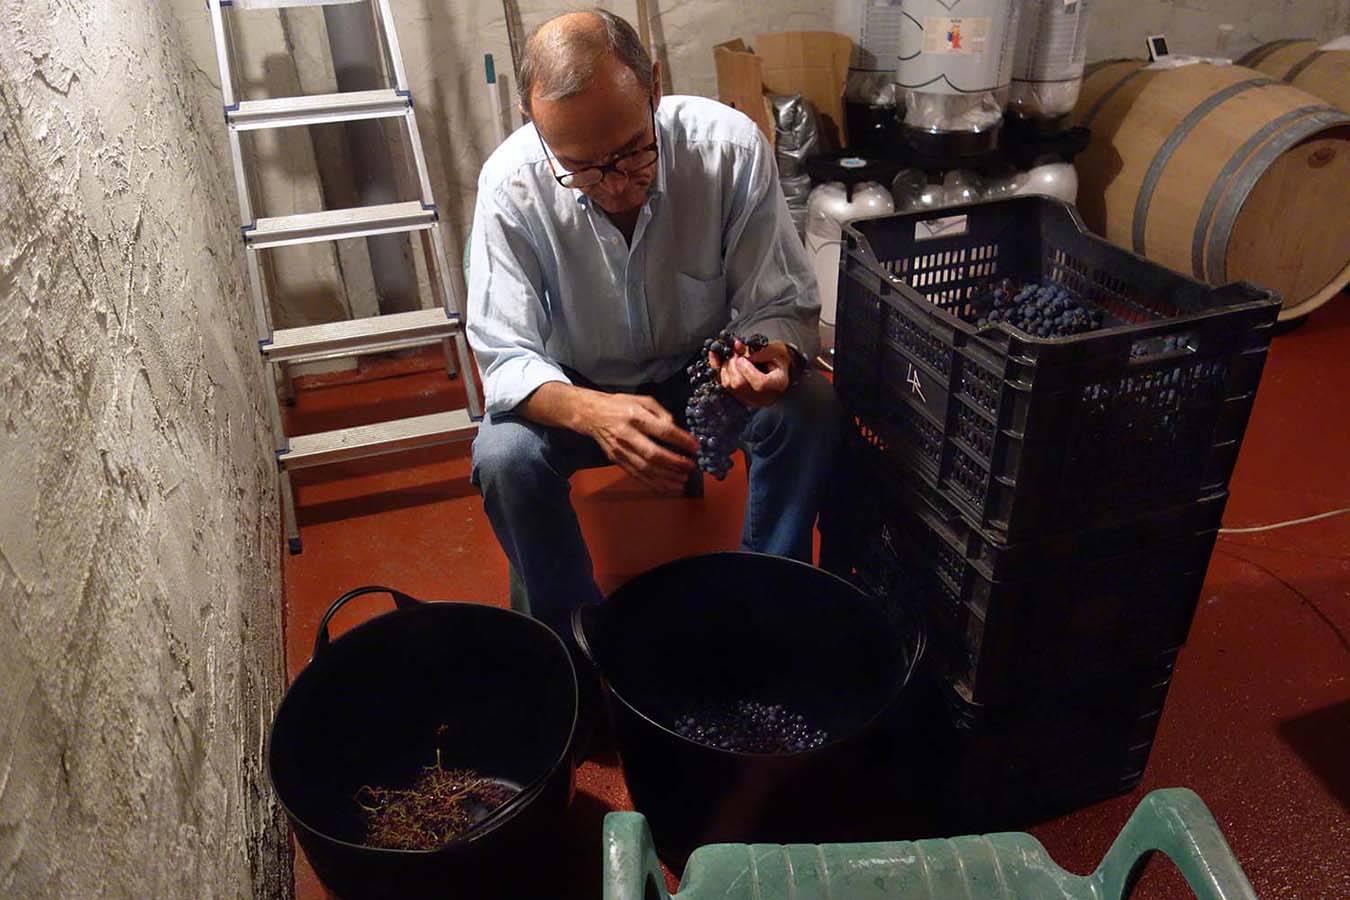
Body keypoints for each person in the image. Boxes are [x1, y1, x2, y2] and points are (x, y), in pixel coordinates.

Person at [466, 9, 840, 649]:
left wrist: (771, 350)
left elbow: (777, 301)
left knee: (810, 407)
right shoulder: (510, 188)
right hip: (580, 385)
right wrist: (592, 413)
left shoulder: (727, 152)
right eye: (581, 167)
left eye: (631, 153)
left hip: (706, 376)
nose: (613, 187)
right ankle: (576, 645)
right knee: (506, 458)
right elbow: (505, 357)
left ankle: (768, 604)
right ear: (539, 131)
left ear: (655, 89)